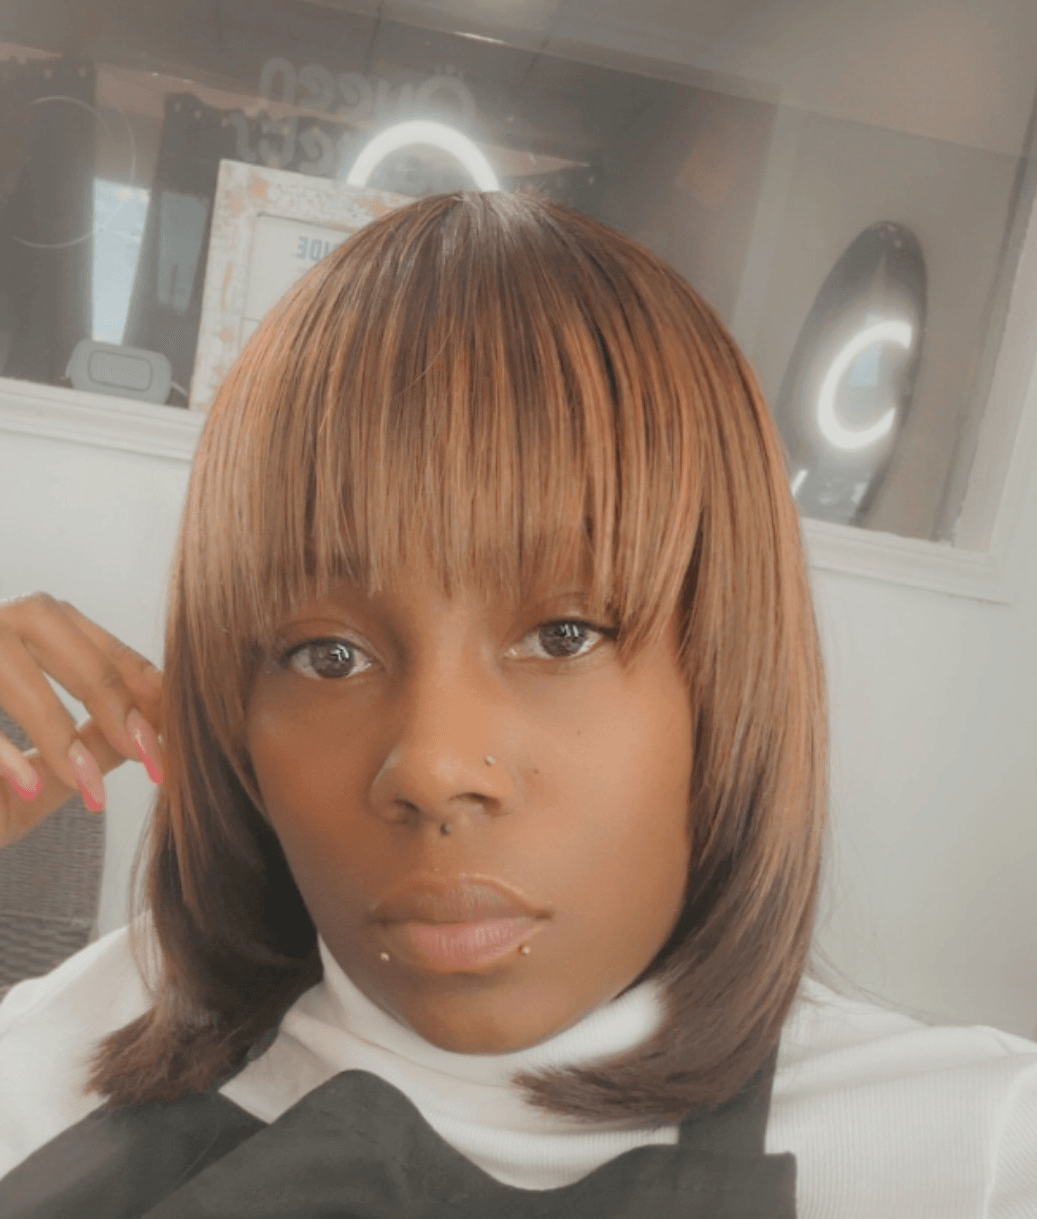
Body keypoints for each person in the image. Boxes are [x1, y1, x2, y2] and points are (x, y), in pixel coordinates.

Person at [0, 190, 1033, 1218]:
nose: (434, 766)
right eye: (328, 654)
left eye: (564, 634)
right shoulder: (51, 1058)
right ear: (232, 714)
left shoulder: (973, 1154)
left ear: (729, 678)